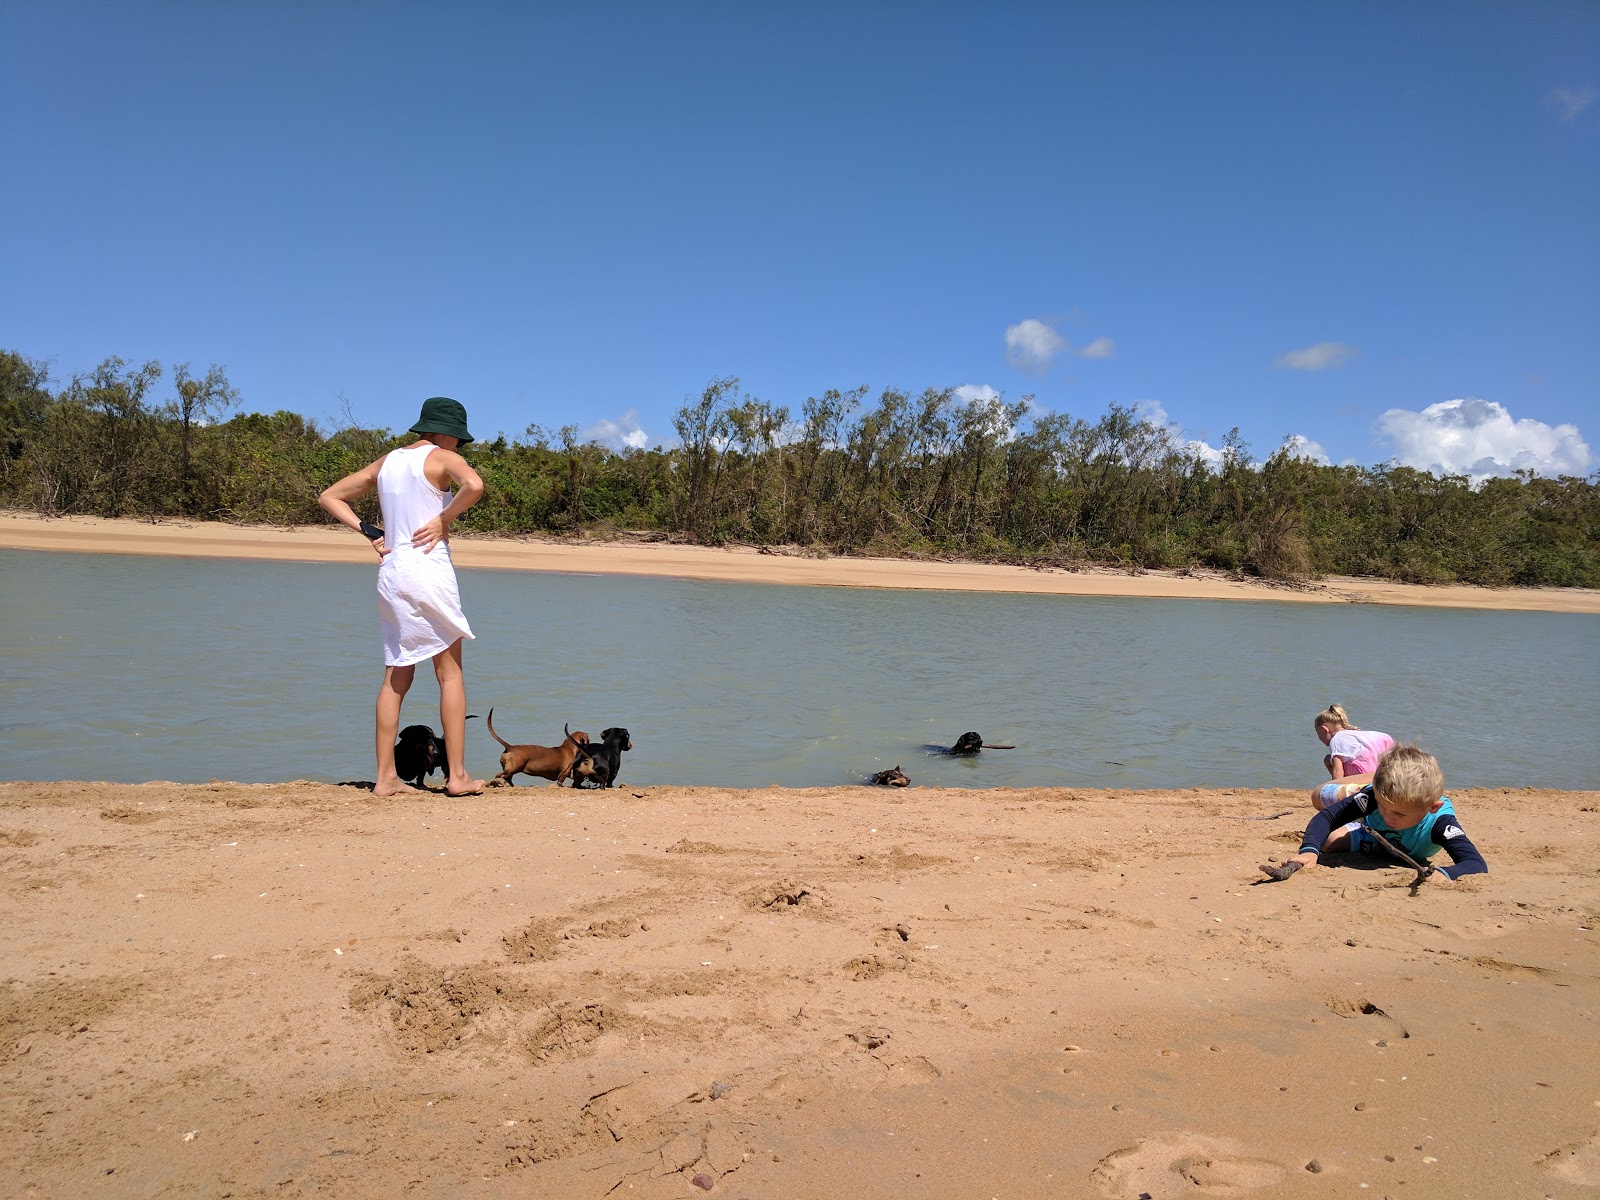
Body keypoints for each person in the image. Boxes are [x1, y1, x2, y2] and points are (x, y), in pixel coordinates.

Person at [318, 396, 487, 797]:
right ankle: (458, 776)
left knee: (396, 676)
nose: (458, 448)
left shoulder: (388, 461)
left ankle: (386, 778)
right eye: (458, 440)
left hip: (392, 573)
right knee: (449, 673)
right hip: (428, 569)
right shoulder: (442, 458)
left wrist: (372, 532)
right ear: (447, 433)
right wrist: (443, 518)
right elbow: (475, 485)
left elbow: (330, 496)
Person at [1265, 745, 1486, 884]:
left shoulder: (1440, 822)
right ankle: (1368, 779)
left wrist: (1447, 873)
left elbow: (1475, 863)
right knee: (1319, 801)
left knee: (1334, 838)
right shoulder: (1373, 799)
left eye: (1400, 813)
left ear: (1432, 807)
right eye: (1384, 808)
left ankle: (1372, 778)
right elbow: (1327, 817)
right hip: (1371, 818)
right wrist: (1309, 851)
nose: (1389, 817)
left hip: (1382, 837)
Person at [1310, 703, 1396, 809]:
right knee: (1329, 759)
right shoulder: (1357, 734)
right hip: (1384, 780)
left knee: (1324, 786)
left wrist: (1333, 794)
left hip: (1364, 784)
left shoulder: (1337, 739)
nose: (1320, 738)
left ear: (1324, 729)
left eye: (1319, 734)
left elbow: (1338, 772)